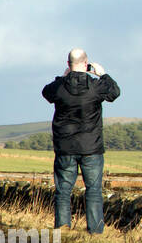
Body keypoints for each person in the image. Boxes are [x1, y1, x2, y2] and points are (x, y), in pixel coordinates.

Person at [41, 49, 121, 233]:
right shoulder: (95, 86)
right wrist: (103, 74)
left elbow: (46, 92)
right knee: (93, 190)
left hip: (65, 148)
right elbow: (115, 92)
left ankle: (62, 228)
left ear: (68, 64)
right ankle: (95, 231)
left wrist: (63, 77)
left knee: (63, 191)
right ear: (86, 64)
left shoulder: (60, 87)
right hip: (91, 147)